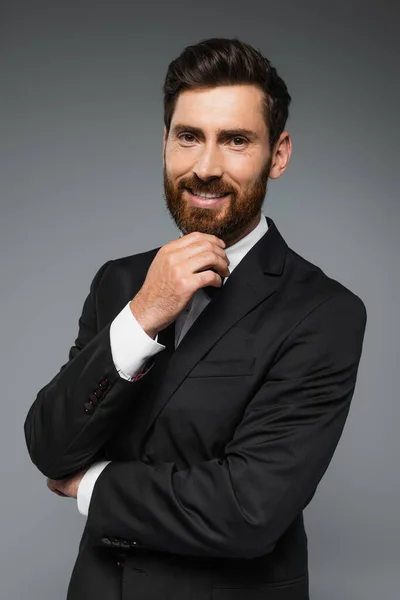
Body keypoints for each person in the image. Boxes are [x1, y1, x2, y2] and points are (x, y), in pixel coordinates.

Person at [24, 37, 367, 600]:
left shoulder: (324, 312)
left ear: (277, 154)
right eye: (189, 137)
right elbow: (51, 443)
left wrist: (93, 483)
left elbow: (247, 509)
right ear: (164, 142)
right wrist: (141, 316)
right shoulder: (120, 282)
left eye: (235, 141)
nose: (205, 167)